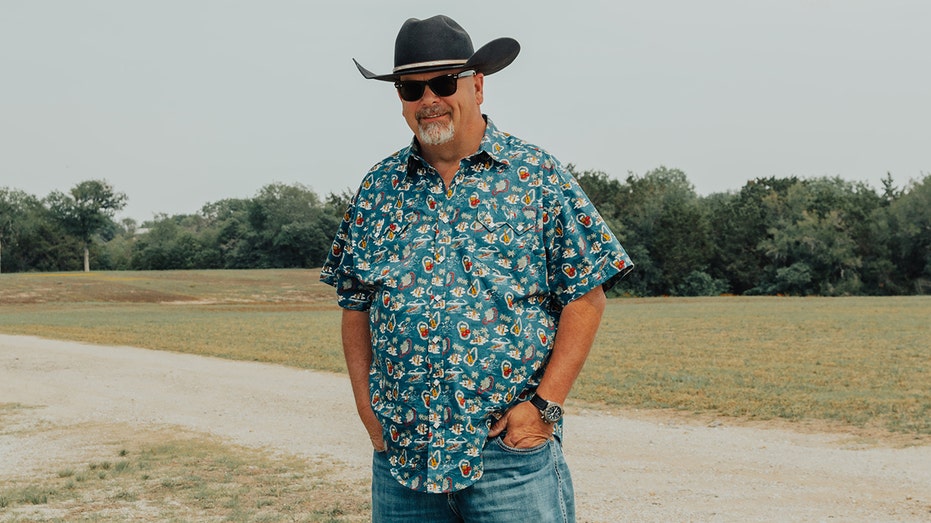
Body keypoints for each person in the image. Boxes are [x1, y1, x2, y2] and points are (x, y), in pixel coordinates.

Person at [320, 15, 633, 523]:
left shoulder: (535, 176)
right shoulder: (377, 189)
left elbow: (586, 294)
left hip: (508, 458)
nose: (428, 100)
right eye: (410, 88)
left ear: (478, 85)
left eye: (443, 83)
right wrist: (366, 408)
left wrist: (544, 409)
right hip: (402, 459)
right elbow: (355, 303)